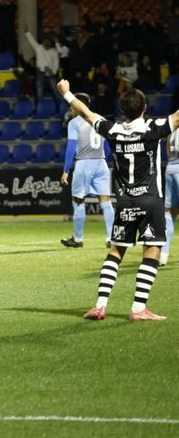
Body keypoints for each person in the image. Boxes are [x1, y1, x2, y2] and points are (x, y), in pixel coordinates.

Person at [57, 78, 174, 321]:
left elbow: (87, 113)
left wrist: (67, 94)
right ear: (144, 108)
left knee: (115, 252)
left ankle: (100, 305)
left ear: (123, 111)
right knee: (151, 252)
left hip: (126, 202)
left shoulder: (113, 129)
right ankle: (138, 308)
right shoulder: (154, 128)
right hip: (151, 201)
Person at [59, 92, 115, 248]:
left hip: (84, 164)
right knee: (106, 202)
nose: (71, 108)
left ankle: (78, 239)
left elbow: (71, 147)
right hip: (101, 163)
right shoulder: (99, 119)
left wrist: (66, 170)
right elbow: (107, 146)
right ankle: (111, 238)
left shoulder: (74, 123)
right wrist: (103, 157)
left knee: (78, 201)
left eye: (72, 105)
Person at [160, 129, 179, 266]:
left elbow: (167, 149)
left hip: (170, 168)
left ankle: (163, 254)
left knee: (169, 212)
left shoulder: (172, 128)